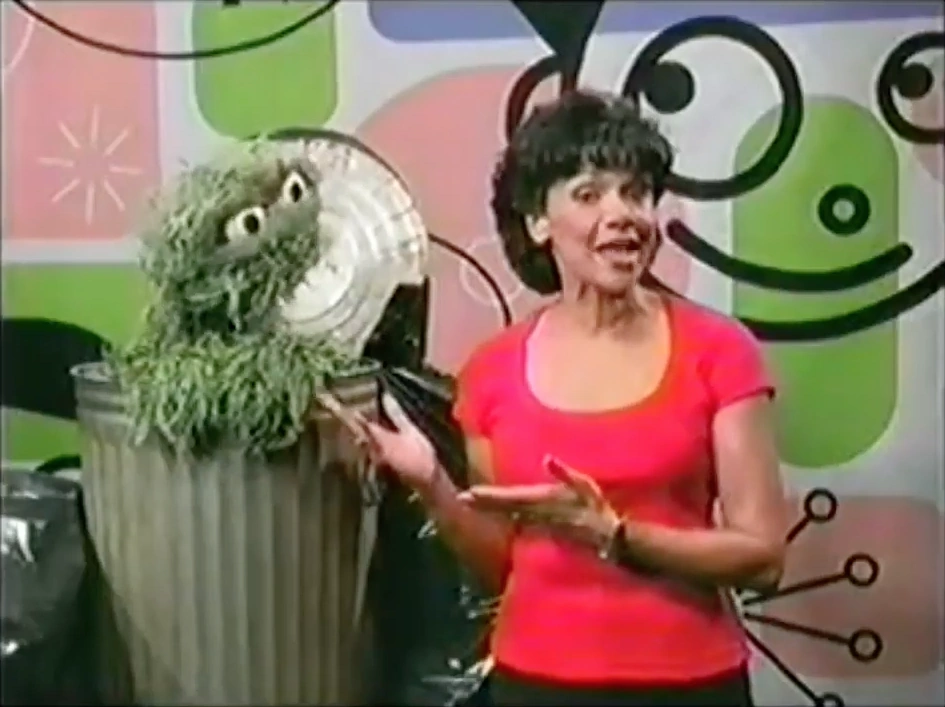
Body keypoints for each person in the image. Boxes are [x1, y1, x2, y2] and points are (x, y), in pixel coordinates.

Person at [344, 89, 788, 707]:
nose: (622, 213)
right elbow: (504, 562)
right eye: (589, 194)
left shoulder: (719, 350)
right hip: (534, 684)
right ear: (537, 223)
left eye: (636, 193)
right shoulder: (491, 372)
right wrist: (432, 484)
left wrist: (616, 535)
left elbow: (763, 557)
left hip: (690, 684)